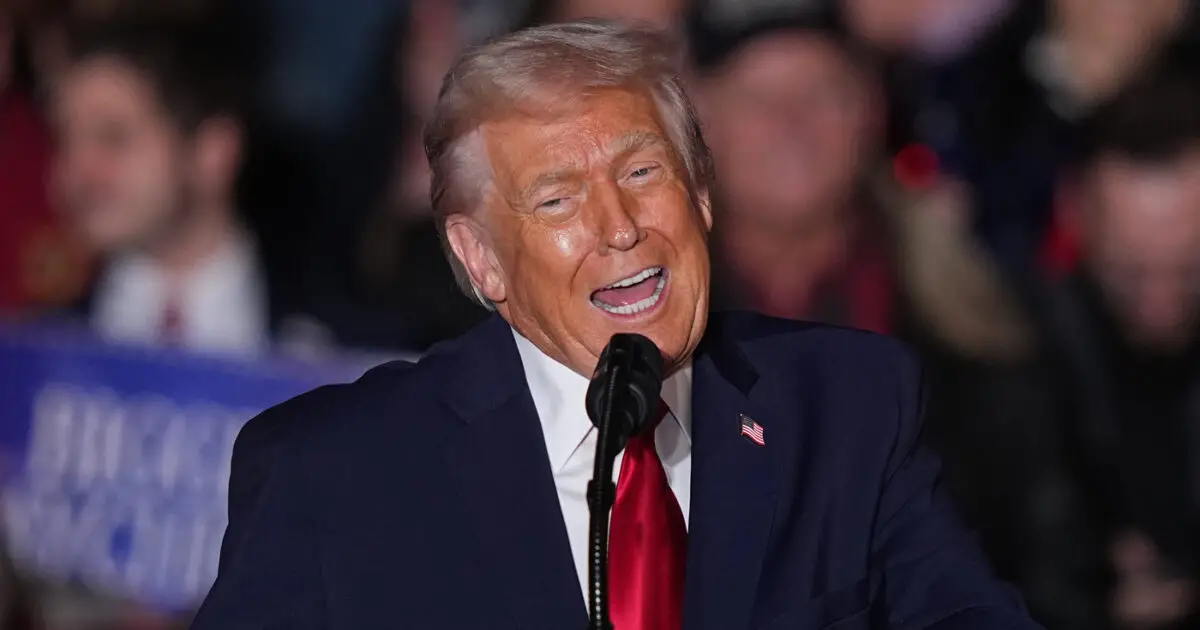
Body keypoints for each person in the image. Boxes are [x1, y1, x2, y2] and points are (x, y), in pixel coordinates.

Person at [192, 20, 1042, 629]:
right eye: (557, 200)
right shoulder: (334, 471)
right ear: (481, 259)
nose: (621, 228)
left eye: (643, 173)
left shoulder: (848, 407)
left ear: (701, 195)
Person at [52, 15, 276, 355]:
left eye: (113, 137)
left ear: (213, 153)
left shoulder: (332, 333)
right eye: (63, 139)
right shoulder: (42, 333)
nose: (74, 172)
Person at [690, 3, 895, 333]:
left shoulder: (963, 301)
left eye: (820, 93)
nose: (790, 124)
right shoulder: (643, 302)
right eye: (756, 99)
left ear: (871, 110)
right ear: (700, 121)